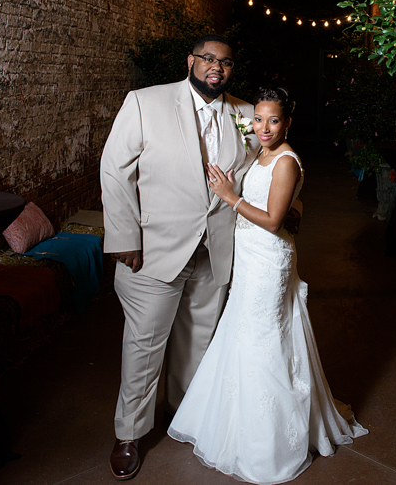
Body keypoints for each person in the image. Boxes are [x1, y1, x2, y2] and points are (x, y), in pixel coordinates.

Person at [168, 85, 367, 485]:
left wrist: (229, 196)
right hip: (249, 258)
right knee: (242, 332)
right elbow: (286, 206)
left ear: (287, 122)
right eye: (258, 119)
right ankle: (236, 422)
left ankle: (269, 442)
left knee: (264, 338)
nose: (264, 127)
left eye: (273, 120)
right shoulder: (260, 152)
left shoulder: (286, 160)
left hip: (269, 259)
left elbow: (275, 220)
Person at [100, 35, 260, 481]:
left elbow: (266, 166)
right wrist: (123, 236)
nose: (217, 68)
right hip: (151, 250)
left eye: (226, 63)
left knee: (199, 340)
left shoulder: (247, 115)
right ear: (191, 61)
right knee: (144, 344)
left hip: (216, 249)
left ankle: (183, 415)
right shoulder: (144, 103)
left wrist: (292, 206)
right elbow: (114, 170)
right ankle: (129, 434)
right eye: (209, 59)